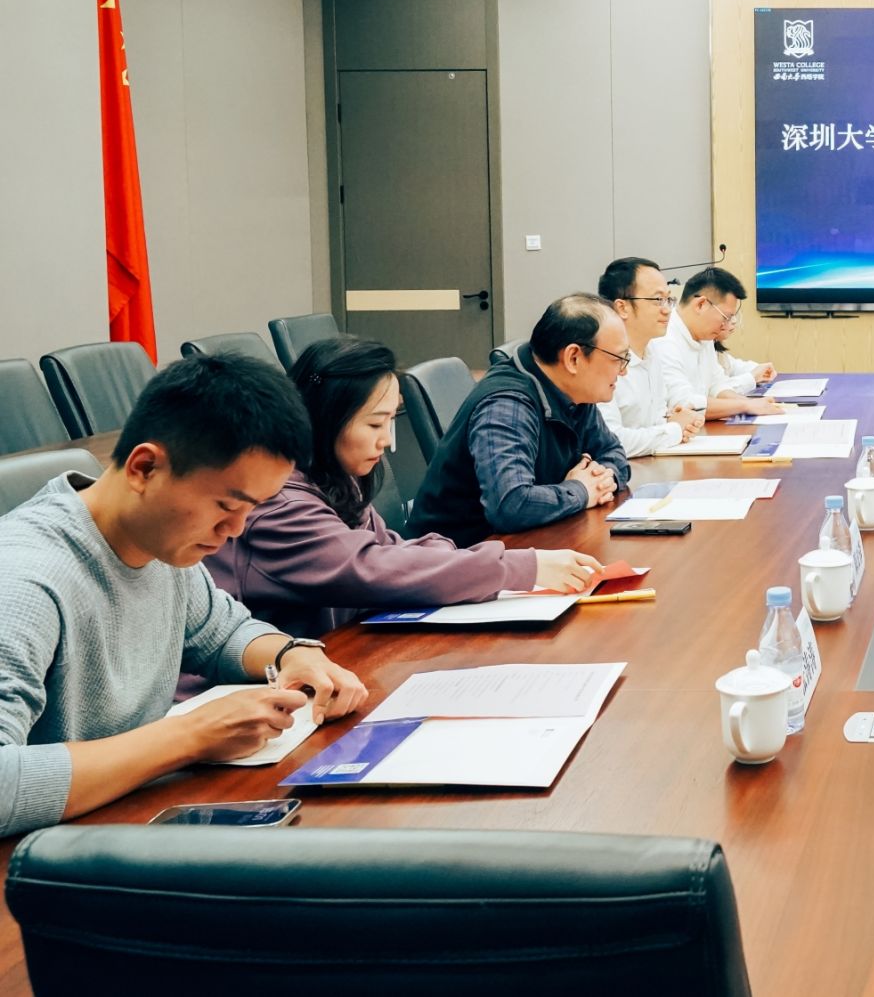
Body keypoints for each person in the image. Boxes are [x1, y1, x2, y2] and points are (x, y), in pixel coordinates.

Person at [0, 354, 368, 837]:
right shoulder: (23, 582)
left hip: (119, 824)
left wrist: (292, 654)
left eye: (251, 509)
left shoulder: (159, 543)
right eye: (226, 505)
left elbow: (222, 632)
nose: (235, 529)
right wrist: (192, 736)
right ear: (144, 467)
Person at [206, 336, 602, 634]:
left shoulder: (336, 479)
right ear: (325, 419)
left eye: (390, 421)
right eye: (375, 424)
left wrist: (464, 559)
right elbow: (373, 568)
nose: (388, 442)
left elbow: (388, 548)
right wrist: (520, 567)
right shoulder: (277, 503)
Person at [409, 295, 633, 546]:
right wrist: (581, 490)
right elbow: (511, 505)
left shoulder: (574, 391)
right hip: (456, 555)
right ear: (573, 358)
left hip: (522, 544)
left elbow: (614, 453)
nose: (624, 370)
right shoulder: (507, 406)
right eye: (618, 359)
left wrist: (602, 480)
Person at [597, 256, 708, 456]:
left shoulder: (652, 351)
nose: (667, 310)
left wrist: (675, 420)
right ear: (622, 307)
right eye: (658, 300)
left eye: (668, 300)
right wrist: (674, 429)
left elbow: (656, 420)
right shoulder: (600, 359)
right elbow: (610, 439)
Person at [650, 266, 778, 421]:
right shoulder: (664, 340)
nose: (726, 325)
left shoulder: (704, 336)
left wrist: (751, 403)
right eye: (726, 317)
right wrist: (745, 406)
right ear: (701, 305)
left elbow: (717, 385)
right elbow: (684, 403)